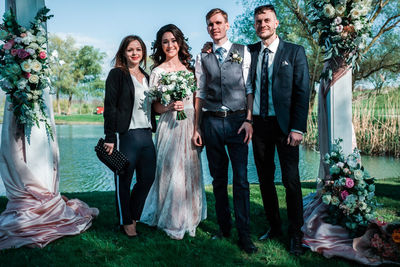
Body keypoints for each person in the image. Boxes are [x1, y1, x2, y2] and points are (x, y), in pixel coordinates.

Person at [192, 8, 257, 253]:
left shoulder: (243, 51)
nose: (214, 27)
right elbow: (199, 93)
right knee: (218, 179)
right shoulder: (202, 57)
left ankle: (244, 235)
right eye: (210, 24)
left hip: (238, 122)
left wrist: (249, 119)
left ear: (227, 25)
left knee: (241, 180)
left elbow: (249, 87)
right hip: (211, 123)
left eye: (218, 23)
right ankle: (224, 227)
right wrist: (197, 127)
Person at [248, 5, 310, 255]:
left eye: (267, 20)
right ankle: (274, 226)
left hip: (286, 128)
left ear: (276, 24)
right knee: (264, 179)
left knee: (291, 180)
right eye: (258, 21)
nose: (262, 24)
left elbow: (302, 91)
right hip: (259, 125)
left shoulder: (294, 52)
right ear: (255, 26)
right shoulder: (249, 52)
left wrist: (297, 128)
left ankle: (296, 232)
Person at [140, 24, 207, 240]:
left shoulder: (190, 70)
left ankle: (190, 215)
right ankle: (171, 217)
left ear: (180, 42)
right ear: (161, 45)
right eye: (165, 41)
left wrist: (197, 128)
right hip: (169, 125)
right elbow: (155, 107)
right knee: (170, 170)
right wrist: (169, 106)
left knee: (188, 170)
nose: (170, 45)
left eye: (173, 40)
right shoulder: (157, 72)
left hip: (189, 125)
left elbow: (197, 103)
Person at [103, 35, 157, 238]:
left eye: (138, 50)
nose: (135, 53)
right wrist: (110, 137)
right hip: (127, 136)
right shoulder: (117, 74)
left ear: (143, 53)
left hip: (146, 135)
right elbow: (110, 108)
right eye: (130, 50)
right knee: (123, 180)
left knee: (148, 179)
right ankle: (126, 222)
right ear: (123, 53)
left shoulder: (148, 76)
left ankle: (133, 215)